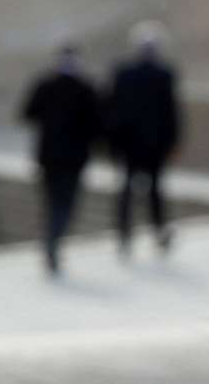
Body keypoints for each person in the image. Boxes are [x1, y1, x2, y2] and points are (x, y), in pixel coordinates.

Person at [19, 43, 104, 276]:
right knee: (64, 205)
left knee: (55, 204)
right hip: (71, 159)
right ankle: (53, 243)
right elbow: (98, 126)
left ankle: (51, 243)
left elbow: (27, 113)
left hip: (52, 157)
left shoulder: (48, 86)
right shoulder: (83, 89)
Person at [106, 21, 181, 256]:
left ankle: (125, 234)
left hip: (131, 143)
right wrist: (172, 141)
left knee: (129, 189)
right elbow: (171, 113)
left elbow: (112, 109)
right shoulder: (163, 74)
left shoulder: (125, 73)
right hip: (152, 143)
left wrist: (112, 141)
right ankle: (155, 232)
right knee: (153, 191)